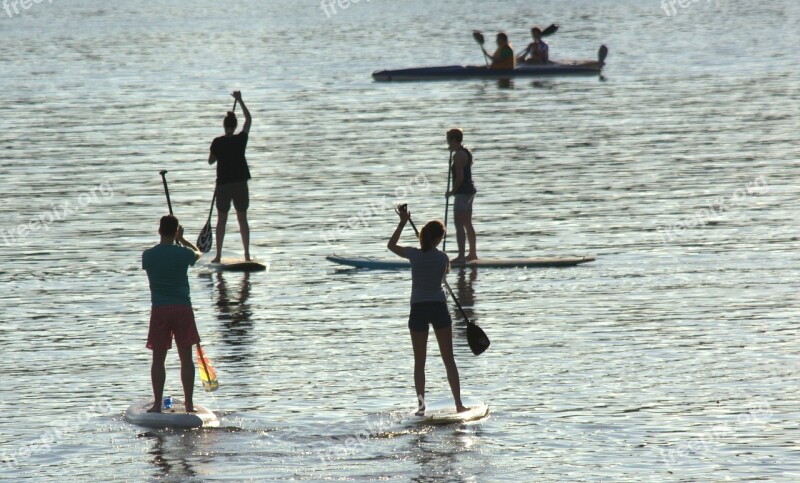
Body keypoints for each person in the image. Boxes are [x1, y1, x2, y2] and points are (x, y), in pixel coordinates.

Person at [387, 205, 467, 415]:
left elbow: (391, 245)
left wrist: (402, 222)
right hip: (439, 308)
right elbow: (444, 271)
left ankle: (421, 408)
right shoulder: (443, 258)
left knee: (419, 362)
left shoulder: (413, 254)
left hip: (418, 310)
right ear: (438, 239)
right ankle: (459, 404)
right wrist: (432, 249)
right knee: (448, 359)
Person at [142, 215, 203, 413]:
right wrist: (183, 240)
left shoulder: (148, 256)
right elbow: (198, 254)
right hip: (182, 309)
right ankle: (189, 403)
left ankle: (157, 404)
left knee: (158, 360)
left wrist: (175, 241)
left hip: (160, 310)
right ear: (176, 231)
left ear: (159, 230)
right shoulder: (183, 253)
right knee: (186, 359)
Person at [208, 90, 253, 262]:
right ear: (234, 127)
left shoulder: (217, 142)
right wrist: (240, 100)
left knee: (223, 220)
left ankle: (219, 256)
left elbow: (210, 161)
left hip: (224, 186)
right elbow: (248, 120)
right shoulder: (241, 139)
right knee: (241, 220)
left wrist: (218, 153)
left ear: (225, 126)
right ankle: (245, 255)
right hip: (239, 184)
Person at [444, 128, 478, 263]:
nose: (447, 143)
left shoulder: (457, 155)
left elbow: (460, 177)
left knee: (459, 223)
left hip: (462, 192)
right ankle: (472, 253)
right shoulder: (466, 152)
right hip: (469, 191)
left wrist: (451, 192)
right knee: (467, 223)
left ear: (453, 140)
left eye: (448, 140)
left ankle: (461, 256)